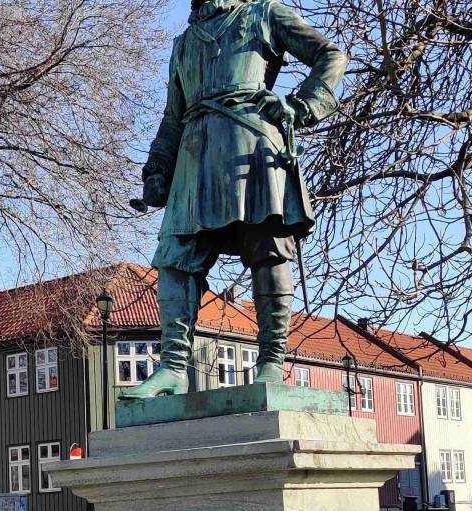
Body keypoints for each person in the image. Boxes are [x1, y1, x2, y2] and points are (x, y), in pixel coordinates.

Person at [121, 0, 348, 399]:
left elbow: (330, 55)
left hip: (251, 145)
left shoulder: (264, 13)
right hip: (195, 154)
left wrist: (301, 106)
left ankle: (271, 363)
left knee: (269, 251)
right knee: (174, 257)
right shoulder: (184, 42)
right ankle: (173, 367)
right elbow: (172, 115)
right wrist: (158, 167)